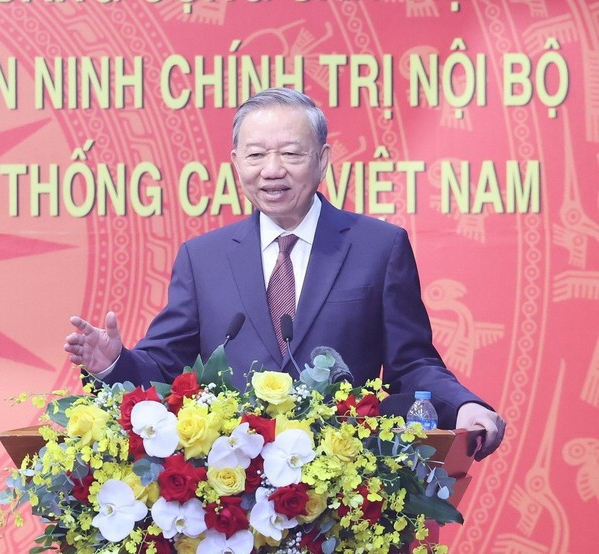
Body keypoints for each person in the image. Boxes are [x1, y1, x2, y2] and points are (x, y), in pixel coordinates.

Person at [64, 88, 505, 460]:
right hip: (230, 493)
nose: (272, 170)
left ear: (322, 159)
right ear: (236, 162)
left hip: (347, 485)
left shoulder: (378, 248)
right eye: (256, 155)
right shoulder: (203, 258)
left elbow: (412, 362)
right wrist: (113, 363)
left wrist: (461, 406)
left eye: (291, 154)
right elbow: (163, 366)